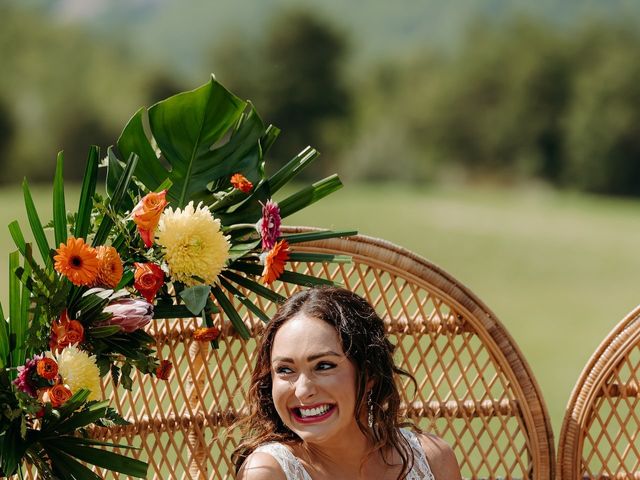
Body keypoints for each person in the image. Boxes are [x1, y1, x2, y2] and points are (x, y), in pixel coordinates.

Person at [233, 286, 462, 479]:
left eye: (323, 366)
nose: (303, 391)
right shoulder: (268, 472)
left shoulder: (432, 460)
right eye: (285, 370)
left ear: (369, 372)